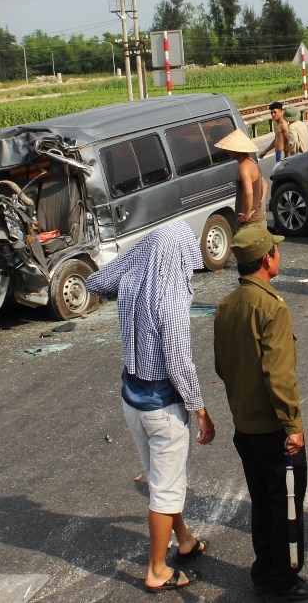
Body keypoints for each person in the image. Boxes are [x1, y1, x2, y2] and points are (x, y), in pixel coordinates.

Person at [85, 222, 215, 593]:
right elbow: (179, 363)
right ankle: (157, 569)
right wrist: (201, 410)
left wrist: (139, 255)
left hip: (133, 401)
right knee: (165, 492)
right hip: (162, 409)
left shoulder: (132, 285)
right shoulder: (170, 299)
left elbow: (97, 281)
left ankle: (185, 539)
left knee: (162, 479)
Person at [213, 225, 308, 601]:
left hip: (244, 426)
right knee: (286, 506)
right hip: (273, 429)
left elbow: (221, 366)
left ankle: (264, 570)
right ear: (266, 259)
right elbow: (279, 375)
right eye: (275, 251)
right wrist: (293, 425)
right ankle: (284, 578)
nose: (279, 255)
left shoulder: (227, 305)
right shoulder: (272, 307)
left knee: (261, 501)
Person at [216, 128, 267, 229]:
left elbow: (249, 192)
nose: (227, 151)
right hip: (258, 219)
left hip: (250, 224)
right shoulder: (252, 162)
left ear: (236, 150)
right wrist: (259, 203)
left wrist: (247, 214)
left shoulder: (244, 167)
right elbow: (264, 184)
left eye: (229, 149)